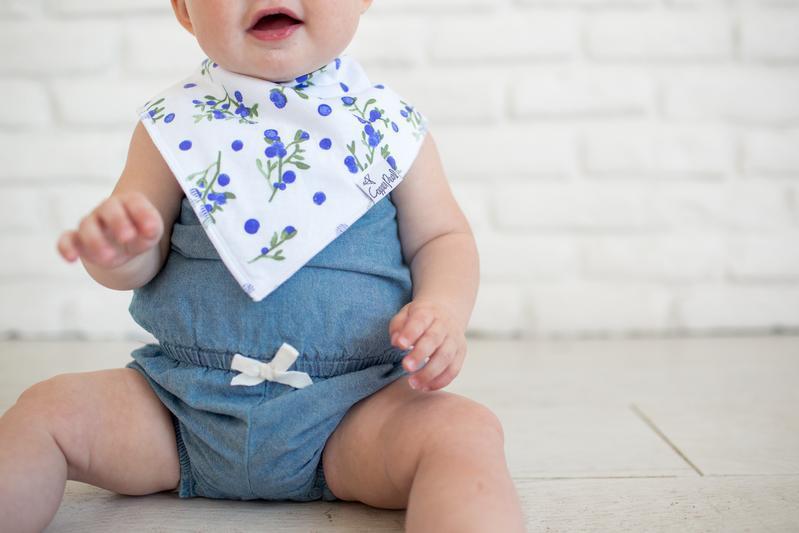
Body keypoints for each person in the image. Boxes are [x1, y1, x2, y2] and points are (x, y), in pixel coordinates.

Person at [0, 1, 526, 531]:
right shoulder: (174, 126)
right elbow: (137, 264)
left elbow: (442, 237)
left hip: (352, 412)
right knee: (44, 411)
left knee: (464, 432)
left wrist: (442, 309)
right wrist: (119, 252)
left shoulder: (390, 128)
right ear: (184, 9)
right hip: (179, 407)